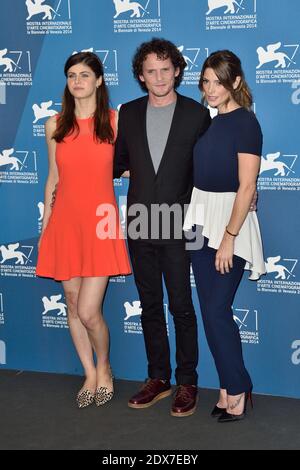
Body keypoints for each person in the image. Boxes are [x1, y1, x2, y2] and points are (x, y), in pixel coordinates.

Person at [114, 38, 211, 417]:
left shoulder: (195, 115)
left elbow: (207, 170)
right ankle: (158, 377)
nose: (159, 77)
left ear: (177, 71)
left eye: (165, 69)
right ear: (141, 75)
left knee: (182, 307)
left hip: (179, 222)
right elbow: (119, 161)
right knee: (150, 305)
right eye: (151, 71)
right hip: (139, 221)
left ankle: (188, 382)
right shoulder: (129, 112)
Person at [36, 52, 131, 408]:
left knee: (90, 311)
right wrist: (46, 227)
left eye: (85, 75)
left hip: (100, 224)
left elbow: (129, 166)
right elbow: (53, 179)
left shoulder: (115, 121)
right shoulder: (54, 125)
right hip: (64, 224)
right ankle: (89, 374)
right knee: (72, 305)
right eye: (72, 75)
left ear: (99, 80)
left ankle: (105, 367)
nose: (77, 81)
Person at [183, 50, 266, 422]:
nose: (210, 89)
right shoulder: (208, 121)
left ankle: (239, 386)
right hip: (199, 219)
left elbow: (247, 185)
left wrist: (230, 236)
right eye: (205, 81)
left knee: (217, 311)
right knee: (210, 313)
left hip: (229, 223)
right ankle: (226, 387)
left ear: (235, 82)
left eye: (218, 81)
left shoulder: (246, 123)